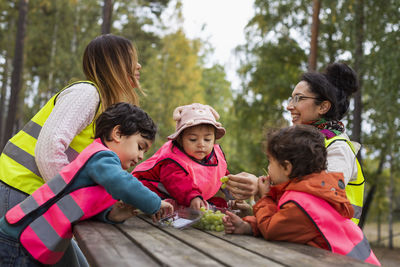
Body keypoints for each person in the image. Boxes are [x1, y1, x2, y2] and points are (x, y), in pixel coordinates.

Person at [0, 34, 144, 266]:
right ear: (115, 63)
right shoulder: (87, 94)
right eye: (132, 59)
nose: (138, 66)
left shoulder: (103, 108)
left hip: (36, 197)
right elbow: (48, 151)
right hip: (20, 191)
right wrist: (76, 201)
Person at [0, 102, 174, 266]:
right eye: (140, 146)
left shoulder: (100, 167)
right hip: (19, 238)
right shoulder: (100, 157)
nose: (141, 156)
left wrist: (112, 214)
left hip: (27, 241)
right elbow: (123, 183)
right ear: (118, 134)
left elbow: (85, 204)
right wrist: (155, 202)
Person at [226, 62, 364, 224]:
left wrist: (259, 186)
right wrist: (254, 211)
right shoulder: (303, 145)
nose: (289, 106)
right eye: (291, 98)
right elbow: (293, 211)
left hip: (331, 246)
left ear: (323, 107)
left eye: (298, 98)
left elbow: (314, 202)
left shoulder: (338, 148)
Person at [222, 125, 380, 266]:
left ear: (286, 167)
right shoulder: (310, 192)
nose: (268, 168)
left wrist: (265, 198)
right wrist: (249, 226)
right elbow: (288, 227)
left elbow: (272, 229)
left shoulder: (303, 202)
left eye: (270, 162)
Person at [132, 103, 229, 210]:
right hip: (158, 191)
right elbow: (178, 182)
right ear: (180, 140)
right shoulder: (173, 159)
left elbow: (220, 175)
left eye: (207, 139)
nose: (201, 144)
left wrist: (233, 189)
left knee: (220, 204)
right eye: (193, 139)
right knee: (164, 204)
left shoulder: (214, 158)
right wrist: (192, 197)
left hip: (191, 195)